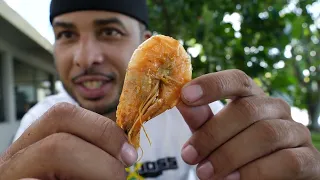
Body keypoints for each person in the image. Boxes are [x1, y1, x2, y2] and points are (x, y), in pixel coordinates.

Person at [1, 0, 319, 179]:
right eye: (66, 35)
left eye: (109, 31)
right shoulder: (40, 122)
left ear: (146, 43)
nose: (84, 59)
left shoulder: (201, 120)